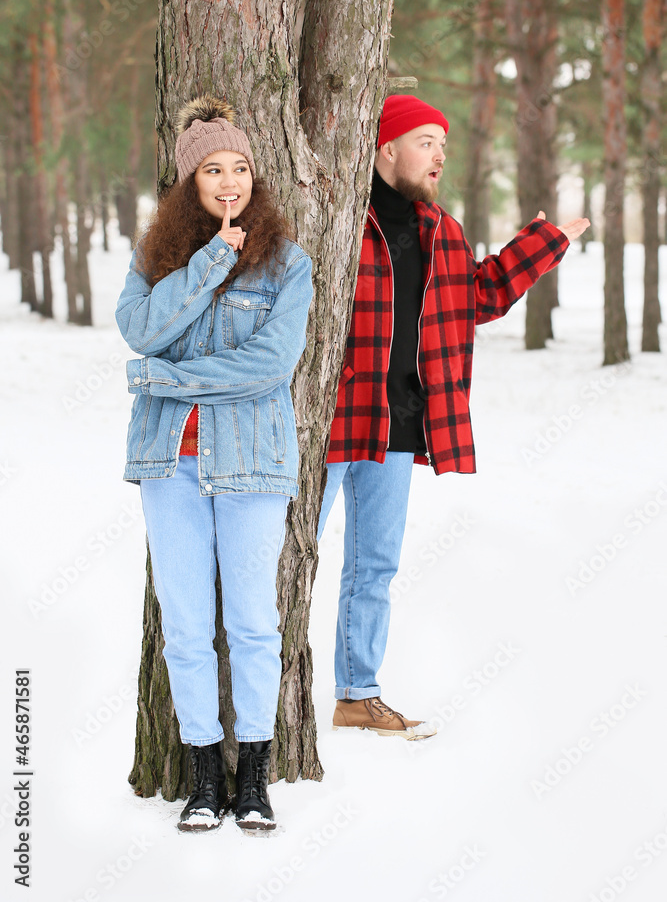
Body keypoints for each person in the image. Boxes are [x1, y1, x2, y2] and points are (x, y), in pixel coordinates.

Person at [316, 94, 590, 740]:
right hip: (327, 422)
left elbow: (478, 296)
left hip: (396, 425)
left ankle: (358, 694)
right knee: (283, 555)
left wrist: (542, 244)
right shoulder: (336, 219)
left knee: (373, 566)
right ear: (387, 147)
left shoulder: (442, 229)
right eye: (426, 141)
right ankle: (257, 697)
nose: (439, 154)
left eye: (442, 142)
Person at [115, 96, 313, 832]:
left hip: (253, 461)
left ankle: (255, 779)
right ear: (188, 183)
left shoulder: (289, 263)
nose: (228, 181)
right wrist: (206, 265)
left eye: (240, 167)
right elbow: (141, 330)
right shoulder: (157, 259)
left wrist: (168, 380)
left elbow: (270, 365)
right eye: (211, 169)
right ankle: (204, 779)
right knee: (188, 626)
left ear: (255, 178)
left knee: (255, 623)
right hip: (170, 463)